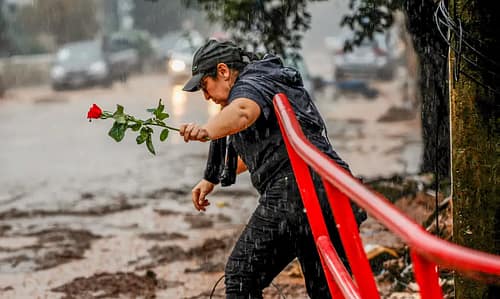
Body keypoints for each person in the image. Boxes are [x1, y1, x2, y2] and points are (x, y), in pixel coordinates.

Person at [179, 39, 365, 299]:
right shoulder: (265, 80)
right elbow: (260, 153)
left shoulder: (249, 86)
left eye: (205, 87)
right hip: (328, 188)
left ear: (222, 71)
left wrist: (205, 130)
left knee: (241, 273)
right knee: (326, 290)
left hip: (296, 190)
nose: (206, 96)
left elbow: (242, 112)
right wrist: (211, 179)